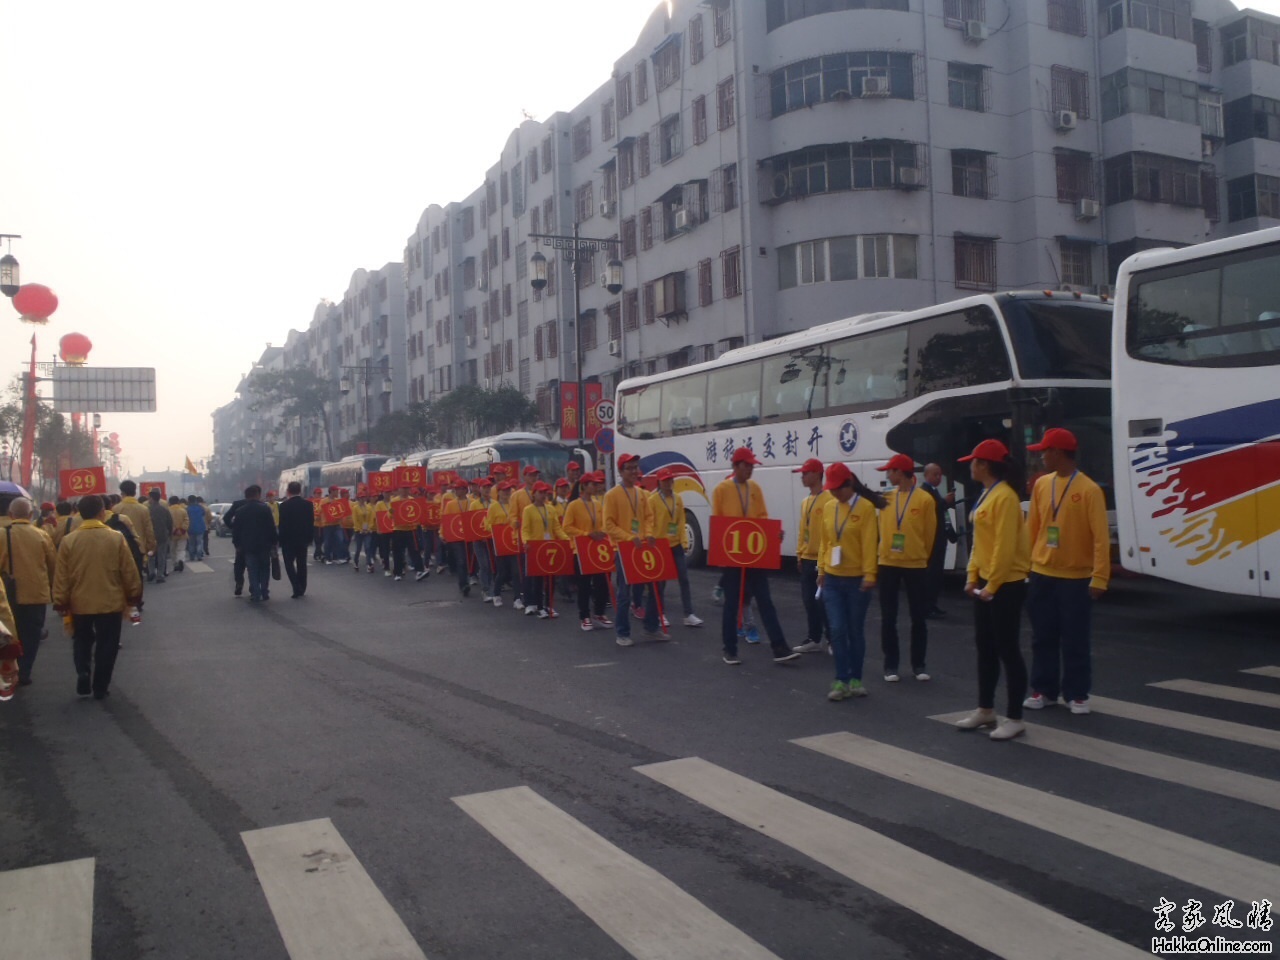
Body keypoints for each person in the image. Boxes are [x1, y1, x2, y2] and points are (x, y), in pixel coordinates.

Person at [1023, 428, 1110, 715]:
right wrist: (1025, 566)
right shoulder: (1041, 485)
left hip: (1076, 577)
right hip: (1042, 573)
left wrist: (1100, 576)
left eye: (1044, 452)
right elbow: (1032, 528)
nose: (1041, 457)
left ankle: (1077, 693)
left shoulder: (1089, 490)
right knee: (1042, 636)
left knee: (1075, 638)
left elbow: (1100, 537)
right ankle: (1044, 690)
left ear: (1057, 453)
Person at [954, 439, 1032, 741]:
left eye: (973, 461)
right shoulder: (986, 494)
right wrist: (972, 577)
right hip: (986, 584)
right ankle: (985, 709)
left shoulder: (1006, 498)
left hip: (1006, 585)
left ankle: (1015, 717)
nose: (970, 466)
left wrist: (992, 585)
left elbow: (1005, 546)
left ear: (984, 464)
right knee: (985, 649)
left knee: (1008, 649)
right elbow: (980, 544)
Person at [711, 447, 800, 666]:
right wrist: (722, 555)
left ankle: (779, 647)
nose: (750, 469)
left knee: (765, 600)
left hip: (754, 555)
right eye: (747, 465)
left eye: (752, 466)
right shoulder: (721, 489)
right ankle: (729, 649)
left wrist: (773, 536)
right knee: (732, 603)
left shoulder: (755, 488)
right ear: (736, 466)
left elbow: (762, 518)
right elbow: (718, 522)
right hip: (733, 555)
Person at [53, 494, 143, 700]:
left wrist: (61, 600)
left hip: (79, 602)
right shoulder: (116, 538)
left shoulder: (69, 540)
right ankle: (101, 686)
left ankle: (83, 672)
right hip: (110, 601)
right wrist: (133, 595)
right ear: (102, 512)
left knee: (81, 640)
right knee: (108, 644)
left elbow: (61, 575)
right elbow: (129, 571)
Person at [815, 463, 878, 700]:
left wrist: (870, 574)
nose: (833, 493)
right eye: (830, 489)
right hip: (832, 578)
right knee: (837, 629)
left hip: (857, 580)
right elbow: (825, 542)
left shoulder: (866, 508)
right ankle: (841, 680)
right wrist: (821, 568)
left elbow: (871, 543)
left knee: (854, 630)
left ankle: (856, 678)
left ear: (849, 484)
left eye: (837, 489)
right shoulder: (829, 507)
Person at [875, 453, 938, 683]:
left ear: (900, 472)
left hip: (915, 564)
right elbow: (880, 529)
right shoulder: (885, 499)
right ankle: (890, 665)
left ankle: (918, 664)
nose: (887, 475)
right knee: (888, 616)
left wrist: (919, 554)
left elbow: (929, 534)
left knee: (918, 617)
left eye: (889, 471)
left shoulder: (924, 499)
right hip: (888, 563)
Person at [603, 454, 661, 645]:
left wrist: (649, 533)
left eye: (636, 467)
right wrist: (629, 537)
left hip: (643, 548)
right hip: (623, 549)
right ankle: (622, 633)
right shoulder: (612, 495)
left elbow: (649, 517)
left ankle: (651, 628)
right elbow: (608, 525)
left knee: (655, 587)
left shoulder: (642, 494)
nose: (634, 471)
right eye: (629, 468)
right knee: (624, 594)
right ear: (620, 471)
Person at [0, 498, 57, 687]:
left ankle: (7, 670)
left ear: (10, 515)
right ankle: (24, 671)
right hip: (36, 594)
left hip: (9, 596)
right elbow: (52, 566)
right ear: (31, 515)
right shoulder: (41, 535)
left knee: (8, 635)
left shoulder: (2, 535)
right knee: (31, 636)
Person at [648, 467, 703, 628]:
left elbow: (680, 521)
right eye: (664, 480)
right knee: (660, 582)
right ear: (659, 482)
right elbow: (649, 522)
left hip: (676, 545)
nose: (668, 483)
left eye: (670, 480)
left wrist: (684, 542)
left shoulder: (678, 499)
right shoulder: (652, 500)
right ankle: (660, 613)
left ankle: (689, 613)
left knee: (684, 579)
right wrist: (650, 537)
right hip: (660, 545)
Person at [563, 470, 611, 631]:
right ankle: (584, 616)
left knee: (602, 582)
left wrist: (602, 532)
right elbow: (567, 527)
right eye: (593, 484)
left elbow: (604, 522)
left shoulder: (597, 504)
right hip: (580, 549)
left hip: (597, 549)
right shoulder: (574, 505)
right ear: (584, 486)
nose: (596, 486)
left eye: (597, 484)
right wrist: (585, 534)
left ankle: (599, 613)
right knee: (584, 585)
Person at [792, 458, 831, 653]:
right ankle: (814, 638)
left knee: (823, 601)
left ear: (817, 474)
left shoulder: (829, 500)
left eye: (806, 473)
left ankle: (831, 638)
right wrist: (799, 554)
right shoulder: (805, 502)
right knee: (808, 600)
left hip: (820, 559)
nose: (802, 476)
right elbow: (802, 530)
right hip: (807, 558)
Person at [520, 480, 566, 619]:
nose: (543, 495)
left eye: (545, 492)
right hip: (536, 547)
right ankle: (540, 607)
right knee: (538, 579)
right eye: (540, 492)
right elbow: (525, 529)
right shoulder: (528, 510)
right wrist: (526, 541)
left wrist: (566, 539)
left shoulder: (550, 509)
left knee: (551, 577)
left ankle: (549, 604)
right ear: (534, 494)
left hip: (549, 547)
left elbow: (556, 528)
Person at [920, 463, 958, 618]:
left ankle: (933, 604)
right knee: (930, 575)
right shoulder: (924, 492)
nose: (938, 477)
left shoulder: (935, 492)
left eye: (940, 474)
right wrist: (945, 502)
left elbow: (944, 515)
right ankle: (927, 606)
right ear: (927, 475)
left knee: (937, 575)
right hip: (932, 541)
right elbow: (933, 510)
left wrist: (951, 533)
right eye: (935, 474)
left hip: (940, 539)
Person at [234, 485, 278, 602]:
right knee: (264, 568)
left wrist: (237, 545)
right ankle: (264, 591)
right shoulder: (265, 509)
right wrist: (274, 541)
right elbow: (271, 527)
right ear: (257, 495)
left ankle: (255, 593)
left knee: (252, 570)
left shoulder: (240, 511)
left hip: (248, 546)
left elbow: (236, 530)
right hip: (264, 545)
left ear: (246, 496)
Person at [277, 481, 315, 599]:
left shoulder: (283, 506)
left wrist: (280, 540)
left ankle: (295, 586)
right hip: (303, 539)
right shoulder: (308, 504)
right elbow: (310, 523)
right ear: (300, 491)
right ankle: (302, 587)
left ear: (288, 491)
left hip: (288, 540)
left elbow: (282, 525)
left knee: (289, 564)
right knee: (301, 564)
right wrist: (310, 538)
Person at [485, 480, 519, 606]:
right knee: (502, 571)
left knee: (516, 571)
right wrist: (498, 528)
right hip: (500, 542)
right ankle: (497, 594)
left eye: (508, 490)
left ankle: (517, 598)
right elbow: (487, 524)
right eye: (504, 490)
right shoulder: (493, 506)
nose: (506, 493)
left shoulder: (513, 504)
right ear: (498, 492)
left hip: (512, 540)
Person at [389, 485, 428, 582]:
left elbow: (417, 514)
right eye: (403, 488)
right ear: (399, 489)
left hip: (411, 529)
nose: (405, 490)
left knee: (415, 550)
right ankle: (397, 573)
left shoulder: (412, 500)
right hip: (398, 529)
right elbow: (389, 516)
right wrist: (391, 512)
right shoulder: (394, 501)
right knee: (398, 552)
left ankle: (419, 571)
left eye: (407, 488)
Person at [146, 488, 174, 583]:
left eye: (149, 498)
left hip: (150, 536)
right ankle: (160, 575)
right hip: (162, 536)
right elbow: (170, 523)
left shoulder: (147, 510)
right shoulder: (164, 510)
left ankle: (151, 572)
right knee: (162, 556)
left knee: (151, 556)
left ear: (152, 498)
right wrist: (169, 533)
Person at [168, 496, 188, 572]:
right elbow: (186, 521)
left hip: (172, 534)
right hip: (182, 534)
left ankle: (175, 564)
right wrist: (182, 529)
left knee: (173, 550)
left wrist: (174, 530)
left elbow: (168, 523)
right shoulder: (183, 510)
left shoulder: (168, 510)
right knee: (181, 549)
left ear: (170, 502)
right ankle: (180, 560)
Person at [185, 495, 207, 561]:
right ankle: (199, 556)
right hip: (200, 527)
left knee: (191, 543)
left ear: (188, 500)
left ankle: (192, 556)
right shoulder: (200, 507)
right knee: (199, 542)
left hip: (190, 528)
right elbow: (203, 514)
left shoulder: (187, 509)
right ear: (195, 500)